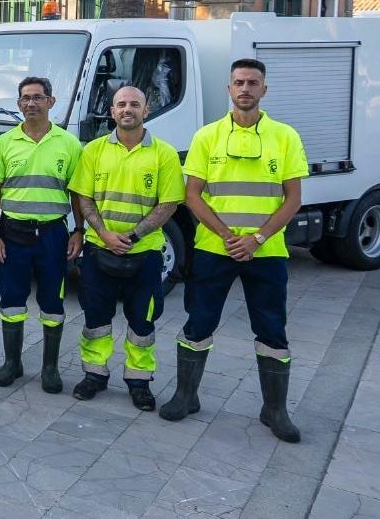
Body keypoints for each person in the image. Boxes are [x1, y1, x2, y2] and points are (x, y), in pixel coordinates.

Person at [160, 59, 307, 443]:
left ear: (264, 89)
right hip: (213, 249)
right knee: (198, 323)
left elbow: (293, 200)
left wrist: (256, 238)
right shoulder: (207, 136)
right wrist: (228, 235)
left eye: (253, 83)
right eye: (239, 82)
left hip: (268, 252)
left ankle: (274, 409)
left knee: (272, 329)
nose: (245, 89)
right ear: (229, 89)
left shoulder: (285, 137)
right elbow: (192, 195)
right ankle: (185, 395)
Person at [68, 85, 184, 411]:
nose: (127, 109)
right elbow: (83, 197)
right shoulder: (93, 151)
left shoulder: (164, 154)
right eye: (121, 104)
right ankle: (94, 375)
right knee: (96, 319)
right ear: (112, 111)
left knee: (142, 323)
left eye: (135, 104)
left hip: (145, 254)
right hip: (97, 250)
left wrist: (132, 236)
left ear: (147, 111)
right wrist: (103, 233)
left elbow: (169, 203)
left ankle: (139, 382)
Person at [0, 77, 84, 392]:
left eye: (38, 97)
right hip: (13, 233)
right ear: (18, 104)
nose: (31, 103)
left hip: (53, 234)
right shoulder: (4, 143)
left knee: (53, 302)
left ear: (51, 102)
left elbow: (78, 194)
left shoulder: (69, 144)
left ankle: (50, 369)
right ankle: (12, 363)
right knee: (12, 300)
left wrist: (79, 230)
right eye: (25, 98)